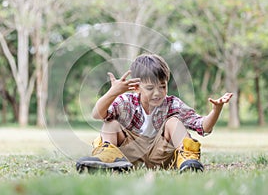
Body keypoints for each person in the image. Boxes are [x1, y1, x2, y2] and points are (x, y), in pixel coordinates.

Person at [76, 53, 233, 173]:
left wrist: (216, 110)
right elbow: (97, 115)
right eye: (150, 88)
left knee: (173, 122)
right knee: (111, 122)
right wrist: (113, 92)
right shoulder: (126, 102)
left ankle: (188, 160)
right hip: (128, 155)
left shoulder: (172, 104)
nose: (158, 93)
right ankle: (108, 158)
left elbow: (203, 127)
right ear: (136, 87)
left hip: (162, 156)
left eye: (162, 86)